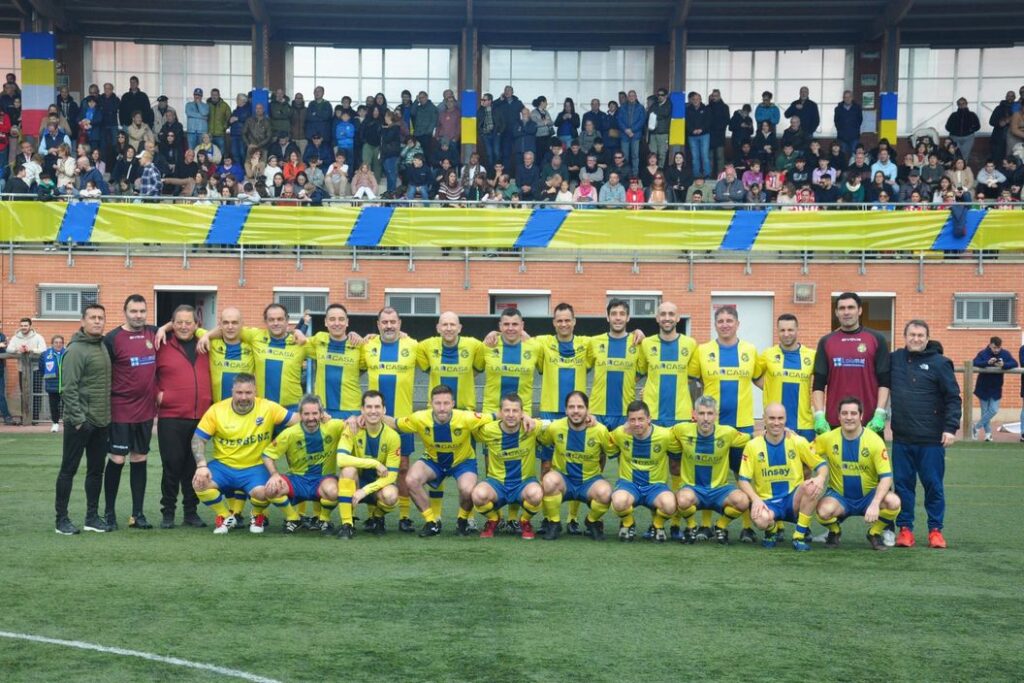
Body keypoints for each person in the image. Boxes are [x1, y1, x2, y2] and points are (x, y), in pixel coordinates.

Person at [688, 304, 764, 542]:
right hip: (712, 426)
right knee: (709, 473)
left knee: (743, 475)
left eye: (729, 320)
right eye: (720, 321)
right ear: (715, 324)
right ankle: (707, 525)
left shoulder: (750, 351)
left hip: (741, 425)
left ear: (737, 324)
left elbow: (762, 381)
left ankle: (746, 527)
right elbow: (692, 380)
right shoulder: (703, 351)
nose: (725, 324)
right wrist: (696, 408)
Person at [191, 373, 299, 534]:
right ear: (232, 391)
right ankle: (226, 516)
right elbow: (198, 439)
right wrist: (201, 465)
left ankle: (257, 514)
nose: (243, 397)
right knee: (199, 482)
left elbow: (298, 419)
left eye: (248, 393)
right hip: (224, 466)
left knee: (266, 492)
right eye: (239, 392)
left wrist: (322, 416)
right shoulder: (217, 410)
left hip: (255, 467)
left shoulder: (268, 407)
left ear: (255, 391)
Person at [384, 385, 492, 537]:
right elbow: (395, 423)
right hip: (433, 461)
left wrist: (525, 417)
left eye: (446, 403)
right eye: (438, 403)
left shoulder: (467, 417)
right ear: (431, 404)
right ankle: (431, 522)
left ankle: (462, 521)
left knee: (468, 489)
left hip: (462, 462)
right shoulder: (419, 418)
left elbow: (497, 416)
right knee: (411, 479)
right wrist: (369, 416)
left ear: (453, 404)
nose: (442, 408)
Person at [888, 320, 960, 550]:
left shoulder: (940, 363)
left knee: (933, 486)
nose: (916, 339)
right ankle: (905, 529)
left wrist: (950, 428)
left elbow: (953, 398)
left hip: (931, 440)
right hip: (902, 439)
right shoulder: (895, 359)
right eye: (912, 334)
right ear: (904, 336)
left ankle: (935, 531)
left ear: (927, 338)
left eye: (920, 335)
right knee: (903, 486)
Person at [814, 397, 902, 551]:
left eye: (853, 413)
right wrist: (789, 437)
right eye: (845, 413)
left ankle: (874, 533)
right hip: (840, 497)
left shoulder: (874, 441)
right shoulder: (827, 439)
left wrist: (875, 503)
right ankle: (835, 531)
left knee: (894, 502)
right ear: (838, 416)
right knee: (823, 511)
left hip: (868, 496)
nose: (849, 417)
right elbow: (804, 452)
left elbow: (886, 477)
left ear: (861, 416)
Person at [102, 295, 159, 531]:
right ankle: (109, 513)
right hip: (120, 411)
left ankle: (137, 514)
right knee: (116, 459)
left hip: (145, 411)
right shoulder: (112, 339)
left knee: (140, 458)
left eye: (142, 311)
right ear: (124, 311)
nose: (138, 315)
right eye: (133, 311)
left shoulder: (155, 333)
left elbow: (177, 327)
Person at [738, 403, 828, 552]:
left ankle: (799, 535)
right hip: (768, 502)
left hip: (793, 499)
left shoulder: (797, 441)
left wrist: (820, 478)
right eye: (772, 418)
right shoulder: (753, 446)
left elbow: (821, 465)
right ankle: (772, 529)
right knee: (760, 521)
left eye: (780, 418)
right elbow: (743, 480)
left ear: (785, 419)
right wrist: (756, 499)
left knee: (811, 486)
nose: (776, 422)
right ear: (764, 419)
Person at [54, 304, 112, 535]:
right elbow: (68, 388)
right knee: (68, 470)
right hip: (80, 423)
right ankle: (61, 520)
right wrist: (78, 420)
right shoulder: (76, 350)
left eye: (101, 318)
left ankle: (91, 518)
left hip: (101, 421)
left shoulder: (103, 346)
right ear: (83, 321)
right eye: (93, 317)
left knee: (96, 471)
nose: (97, 321)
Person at [361, 307, 419, 531]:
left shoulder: (412, 346)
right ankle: (376, 515)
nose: (389, 326)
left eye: (393, 322)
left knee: (403, 467)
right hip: (374, 418)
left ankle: (404, 516)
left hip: (402, 419)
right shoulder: (368, 346)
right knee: (373, 467)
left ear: (400, 323)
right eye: (384, 322)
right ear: (378, 325)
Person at [154, 305, 211, 529]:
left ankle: (191, 512)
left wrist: (205, 334)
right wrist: (158, 395)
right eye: (179, 322)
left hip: (201, 419)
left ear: (196, 325)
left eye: (189, 322)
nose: (184, 326)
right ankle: (168, 512)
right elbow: (146, 374)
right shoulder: (161, 344)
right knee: (172, 466)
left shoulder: (206, 344)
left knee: (193, 467)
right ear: (172, 323)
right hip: (171, 417)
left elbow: (224, 331)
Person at [261, 394, 350, 534]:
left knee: (334, 492)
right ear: (300, 415)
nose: (310, 418)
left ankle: (323, 519)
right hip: (297, 479)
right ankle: (293, 518)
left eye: (315, 413)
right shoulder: (289, 433)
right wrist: (274, 475)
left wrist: (354, 419)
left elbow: (351, 424)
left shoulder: (333, 426)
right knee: (270, 489)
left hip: (323, 479)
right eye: (306, 414)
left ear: (321, 414)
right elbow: (267, 455)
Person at [537, 391, 617, 541]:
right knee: (548, 480)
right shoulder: (555, 427)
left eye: (580, 407)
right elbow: (540, 434)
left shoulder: (599, 430)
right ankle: (554, 523)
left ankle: (592, 521)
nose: (575, 411)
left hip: (589, 481)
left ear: (587, 409)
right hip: (564, 480)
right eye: (571, 407)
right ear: (566, 410)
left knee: (606, 493)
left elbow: (612, 448)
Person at [673, 396, 752, 544]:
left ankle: (720, 526)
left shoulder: (728, 433)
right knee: (681, 500)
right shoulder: (681, 429)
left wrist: (783, 432)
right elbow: (661, 434)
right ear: (694, 414)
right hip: (693, 489)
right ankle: (692, 526)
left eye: (710, 414)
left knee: (743, 501)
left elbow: (752, 437)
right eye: (701, 413)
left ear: (716, 416)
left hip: (719, 490)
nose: (706, 418)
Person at [812, 292, 890, 437]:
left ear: (859, 310)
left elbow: (884, 382)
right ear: (836, 312)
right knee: (836, 461)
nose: (846, 312)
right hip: (835, 421)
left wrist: (880, 413)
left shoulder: (876, 339)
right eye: (842, 308)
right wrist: (819, 415)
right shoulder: (826, 341)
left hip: (870, 421)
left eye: (851, 307)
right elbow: (818, 384)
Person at [609, 401, 679, 542]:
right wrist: (589, 421)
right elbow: (602, 438)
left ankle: (657, 525)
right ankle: (628, 523)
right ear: (627, 421)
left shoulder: (665, 435)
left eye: (640, 419)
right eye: (632, 420)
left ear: (649, 419)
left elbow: (682, 442)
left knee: (670, 505)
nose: (636, 424)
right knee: (618, 502)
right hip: (629, 485)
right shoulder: (620, 433)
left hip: (656, 486)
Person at [336, 390, 402, 538]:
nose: (373, 411)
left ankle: (377, 517)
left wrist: (365, 490)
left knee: (391, 496)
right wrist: (373, 463)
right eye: (369, 407)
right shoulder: (352, 428)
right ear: (362, 409)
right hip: (356, 482)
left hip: (378, 485)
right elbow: (340, 459)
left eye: (377, 407)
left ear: (384, 410)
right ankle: (347, 524)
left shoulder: (393, 437)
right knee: (347, 470)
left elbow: (391, 476)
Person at [637, 302, 698, 428]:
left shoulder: (690, 344)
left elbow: (692, 379)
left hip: (681, 414)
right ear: (657, 318)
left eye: (671, 314)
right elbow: (637, 375)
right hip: (652, 414)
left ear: (678, 318)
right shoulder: (646, 343)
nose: (667, 318)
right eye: (663, 314)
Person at [757, 314, 816, 441]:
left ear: (797, 330)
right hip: (775, 424)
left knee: (806, 461)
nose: (786, 334)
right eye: (782, 330)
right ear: (777, 331)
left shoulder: (811, 356)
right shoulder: (768, 354)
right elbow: (753, 374)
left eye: (790, 330)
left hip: (804, 423)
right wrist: (769, 387)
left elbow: (821, 382)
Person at [971, 336, 1017, 441]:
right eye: (994, 348)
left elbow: (1014, 363)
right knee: (985, 411)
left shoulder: (1005, 353)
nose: (996, 350)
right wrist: (987, 362)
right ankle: (988, 435)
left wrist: (1004, 364)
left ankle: (976, 427)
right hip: (983, 387)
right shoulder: (983, 353)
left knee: (994, 410)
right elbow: (974, 362)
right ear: (990, 345)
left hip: (996, 387)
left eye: (998, 348)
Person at [39, 335, 65, 433]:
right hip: (52, 385)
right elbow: (41, 368)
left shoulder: (68, 353)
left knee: (67, 406)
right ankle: (55, 423)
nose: (58, 344)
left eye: (60, 342)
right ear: (52, 344)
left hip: (66, 385)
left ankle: (67, 424)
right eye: (56, 342)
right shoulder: (45, 354)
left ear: (63, 343)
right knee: (54, 406)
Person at [944, 98, 981, 164]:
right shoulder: (953, 115)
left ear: (966, 104)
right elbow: (947, 126)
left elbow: (977, 126)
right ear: (957, 105)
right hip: (955, 137)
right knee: (954, 154)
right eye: (959, 104)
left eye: (963, 103)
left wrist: (970, 130)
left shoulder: (972, 115)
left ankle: (963, 170)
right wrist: (954, 131)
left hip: (968, 138)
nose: (961, 105)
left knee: (964, 156)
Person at [685, 91, 710, 179]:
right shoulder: (688, 110)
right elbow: (686, 122)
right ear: (691, 100)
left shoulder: (706, 109)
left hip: (704, 135)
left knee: (704, 156)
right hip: (692, 136)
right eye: (694, 99)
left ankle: (706, 174)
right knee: (695, 157)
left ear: (700, 100)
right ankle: (696, 175)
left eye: (697, 99)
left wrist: (701, 129)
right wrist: (692, 130)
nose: (695, 101)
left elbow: (708, 122)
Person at [833, 90, 863, 156]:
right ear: (843, 98)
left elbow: (860, 120)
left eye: (849, 97)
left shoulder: (857, 108)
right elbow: (836, 121)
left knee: (854, 155)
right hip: (842, 137)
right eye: (845, 97)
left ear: (852, 98)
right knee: (842, 155)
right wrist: (840, 130)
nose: (847, 99)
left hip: (854, 136)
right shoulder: (838, 109)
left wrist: (855, 129)